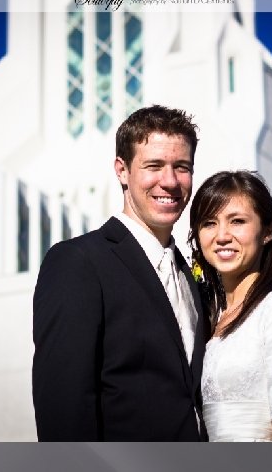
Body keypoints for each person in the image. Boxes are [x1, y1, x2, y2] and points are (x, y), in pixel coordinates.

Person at [32, 105, 208, 441]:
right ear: (122, 170)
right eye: (154, 166)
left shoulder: (190, 276)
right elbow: (63, 409)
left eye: (182, 167)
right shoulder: (78, 262)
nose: (170, 181)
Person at [188, 170, 272, 442]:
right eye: (209, 223)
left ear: (267, 231)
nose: (222, 236)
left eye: (237, 221)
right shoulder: (210, 316)